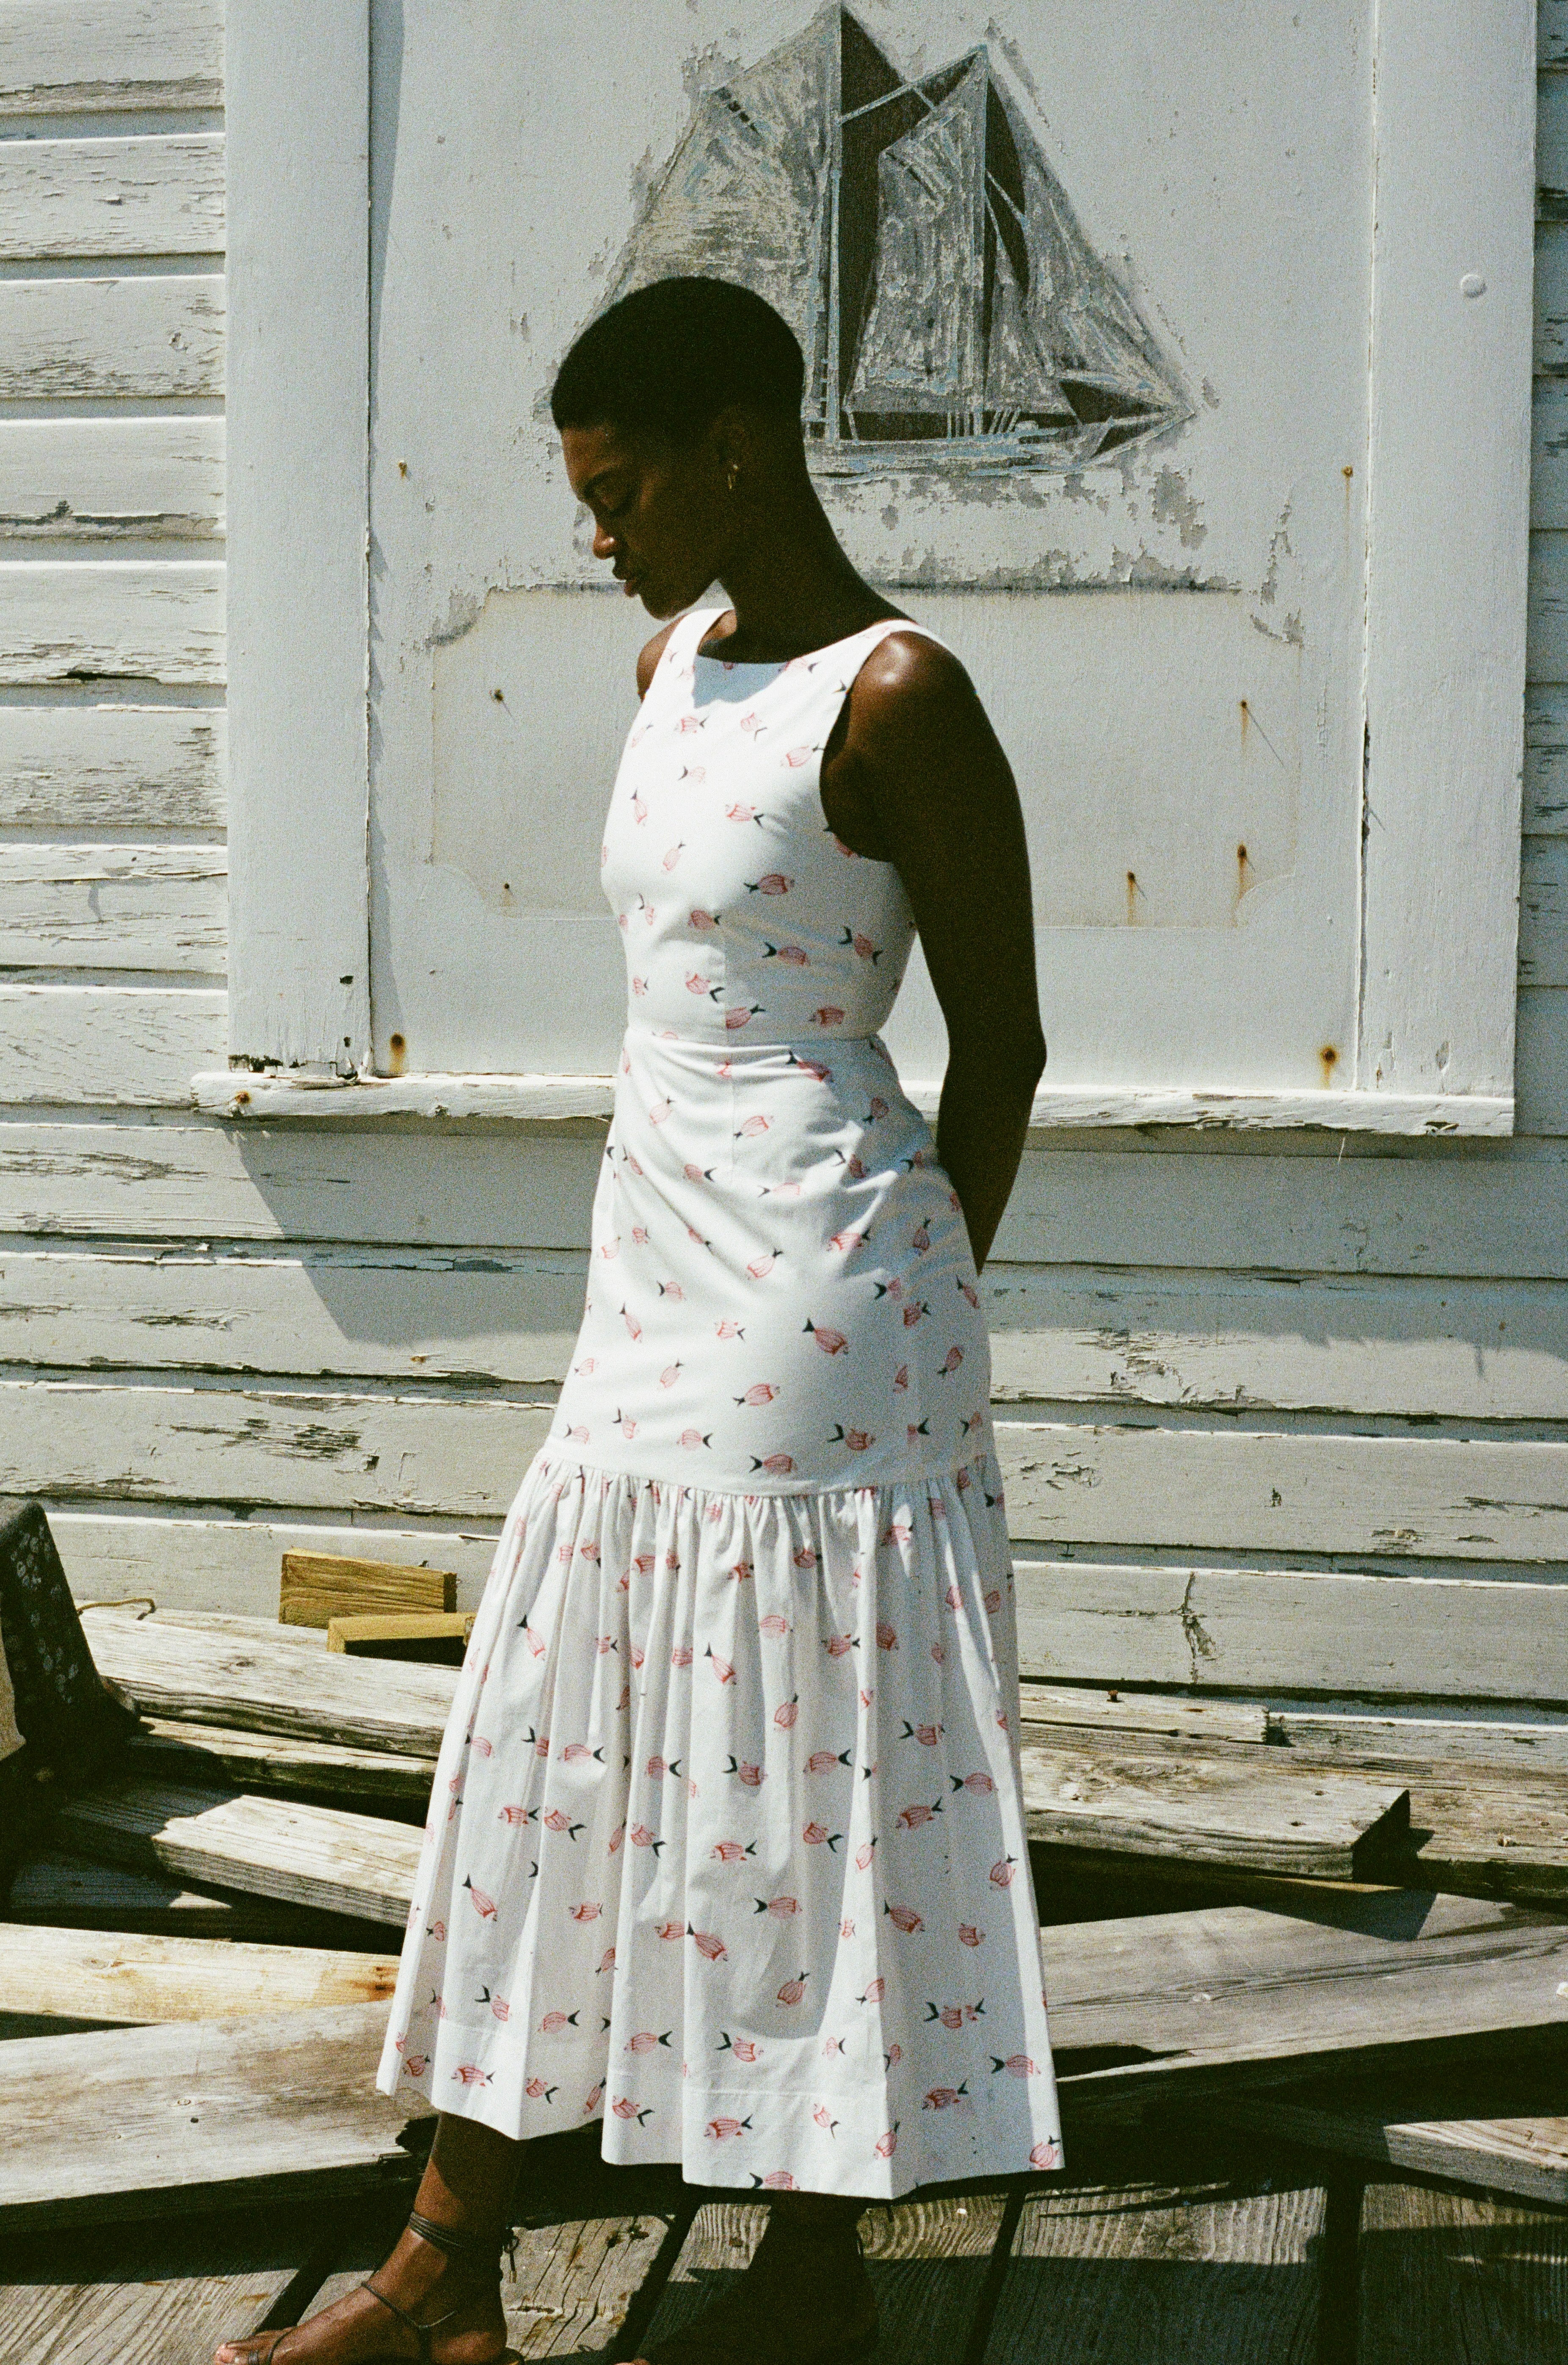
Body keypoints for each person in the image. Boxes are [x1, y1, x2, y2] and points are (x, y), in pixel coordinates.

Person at [216, 273, 1060, 2365]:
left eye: (620, 490)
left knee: (787, 1782)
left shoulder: (896, 698)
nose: (597, 533)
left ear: (734, 450)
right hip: (647, 1263)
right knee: (554, 1757)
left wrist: (911, 1282)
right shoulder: (668, 658)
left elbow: (1010, 1039)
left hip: (816, 1300)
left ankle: (800, 2275)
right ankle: (446, 2266)